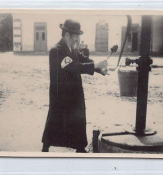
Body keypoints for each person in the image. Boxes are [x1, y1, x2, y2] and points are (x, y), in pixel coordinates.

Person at [42, 19, 108, 153]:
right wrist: (95, 66)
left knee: (77, 118)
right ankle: (46, 147)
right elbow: (73, 67)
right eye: (76, 37)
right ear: (67, 35)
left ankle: (79, 147)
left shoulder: (71, 48)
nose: (78, 40)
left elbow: (83, 59)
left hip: (73, 91)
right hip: (60, 93)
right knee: (55, 120)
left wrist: (99, 68)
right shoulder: (57, 51)